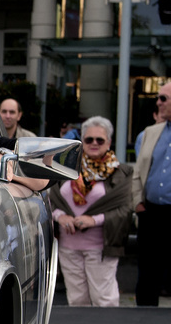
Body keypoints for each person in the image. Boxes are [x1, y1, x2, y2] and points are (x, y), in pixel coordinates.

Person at [49, 116, 133, 306]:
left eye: (100, 140)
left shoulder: (121, 173)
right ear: (82, 141)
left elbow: (125, 209)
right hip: (68, 247)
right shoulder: (67, 167)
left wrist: (93, 220)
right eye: (89, 139)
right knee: (77, 300)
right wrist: (60, 216)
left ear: (109, 142)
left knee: (104, 300)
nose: (94, 143)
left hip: (101, 247)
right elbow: (50, 201)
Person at [133, 86, 171, 306]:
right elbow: (138, 171)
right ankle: (143, 322)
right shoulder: (150, 132)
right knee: (147, 275)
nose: (158, 103)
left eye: (163, 98)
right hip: (151, 213)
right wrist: (137, 203)